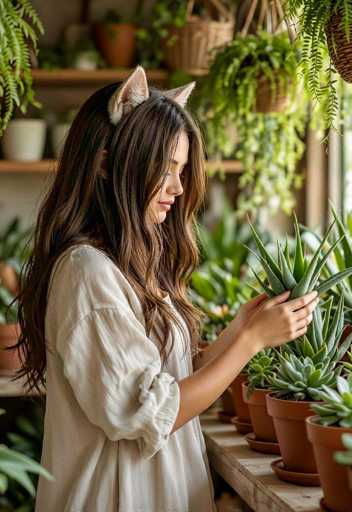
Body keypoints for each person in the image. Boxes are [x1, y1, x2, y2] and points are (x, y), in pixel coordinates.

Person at [17, 66, 318, 512]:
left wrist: (240, 329)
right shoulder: (86, 274)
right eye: (166, 168)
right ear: (106, 164)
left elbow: (169, 378)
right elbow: (150, 411)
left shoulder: (128, 265)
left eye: (181, 169)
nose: (178, 187)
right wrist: (252, 343)